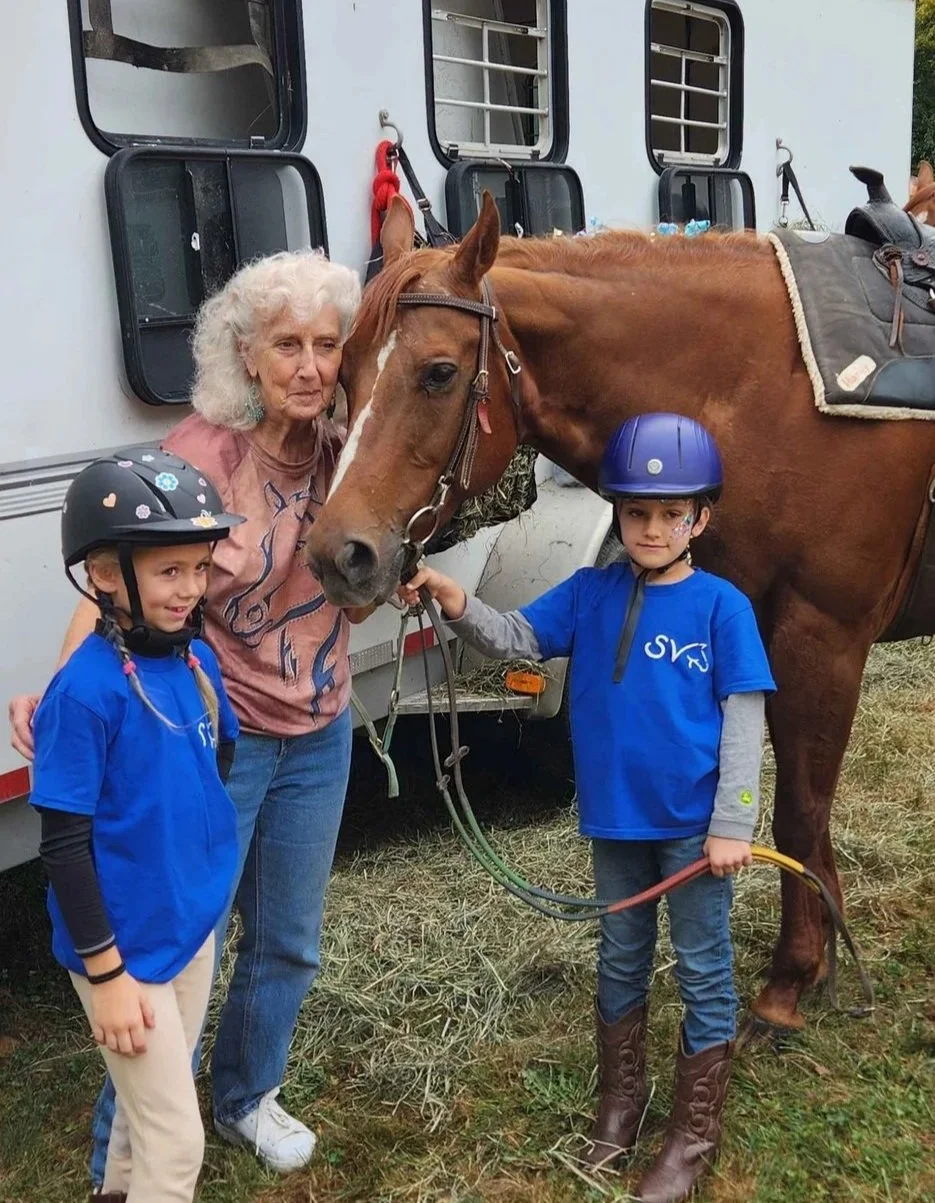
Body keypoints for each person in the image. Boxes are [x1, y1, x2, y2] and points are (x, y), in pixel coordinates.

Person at [10, 248, 364, 1184]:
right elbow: (119, 575)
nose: (309, 365)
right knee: (168, 945)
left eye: (326, 344)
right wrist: (61, 693)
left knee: (288, 935)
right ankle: (123, 1143)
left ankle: (249, 1093)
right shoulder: (203, 451)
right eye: (286, 343)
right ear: (246, 355)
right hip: (216, 734)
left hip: (321, 724)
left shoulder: (348, 447)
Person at [399, 413, 775, 1203]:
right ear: (617, 512)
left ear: (699, 518)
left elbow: (743, 719)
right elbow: (512, 640)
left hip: (695, 835)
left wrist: (733, 824)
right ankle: (620, 1102)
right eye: (635, 511)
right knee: (619, 957)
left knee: (705, 968)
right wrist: (451, 594)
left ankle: (693, 1130)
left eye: (670, 513)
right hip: (614, 822)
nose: (650, 527)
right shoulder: (589, 591)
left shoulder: (721, 608)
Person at [31, 450, 244, 1203]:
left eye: (198, 567)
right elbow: (61, 845)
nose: (190, 588)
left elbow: (209, 772)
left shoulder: (194, 664)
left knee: (140, 1115)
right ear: (105, 575)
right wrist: (108, 976)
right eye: (168, 571)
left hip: (188, 925)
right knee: (175, 1141)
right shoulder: (85, 693)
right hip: (124, 952)